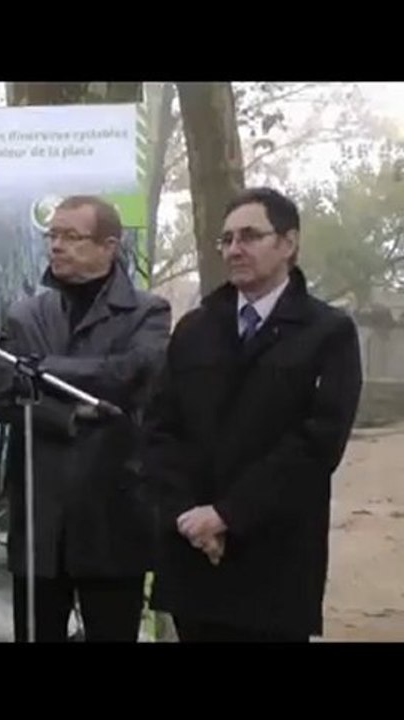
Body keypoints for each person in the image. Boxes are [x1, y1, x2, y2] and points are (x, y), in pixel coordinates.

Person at [145, 187, 363, 642]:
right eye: (226, 239)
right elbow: (161, 428)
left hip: (272, 557)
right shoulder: (196, 328)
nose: (234, 249)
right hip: (194, 555)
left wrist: (227, 514)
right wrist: (188, 514)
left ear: (288, 243)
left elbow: (317, 443)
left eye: (249, 236)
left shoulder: (327, 333)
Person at [0, 195, 171, 642]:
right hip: (40, 526)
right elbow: (0, 395)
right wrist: (67, 416)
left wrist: (41, 368)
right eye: (53, 235)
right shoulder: (26, 312)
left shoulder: (148, 312)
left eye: (72, 236)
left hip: (112, 521)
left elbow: (132, 376)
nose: (57, 246)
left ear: (109, 245)